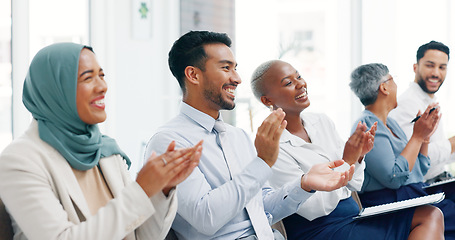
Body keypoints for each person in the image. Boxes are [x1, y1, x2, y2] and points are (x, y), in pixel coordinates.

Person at [145, 31, 356, 240]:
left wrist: (303, 184)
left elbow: (261, 208)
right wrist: (262, 162)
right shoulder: (169, 141)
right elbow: (206, 218)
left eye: (235, 69)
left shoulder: (239, 137)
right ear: (193, 75)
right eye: (226, 68)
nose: (237, 79)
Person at [0, 42, 203, 240]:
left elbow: (142, 236)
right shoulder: (19, 160)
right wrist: (141, 190)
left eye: (102, 75)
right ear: (55, 89)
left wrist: (162, 189)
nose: (102, 87)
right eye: (88, 78)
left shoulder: (105, 150)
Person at [250, 59, 444, 240]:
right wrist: (348, 161)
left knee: (431, 214)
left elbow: (355, 184)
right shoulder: (272, 145)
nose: (301, 84)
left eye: (299, 76)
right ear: (267, 100)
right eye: (288, 83)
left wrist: (359, 157)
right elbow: (314, 209)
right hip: (320, 229)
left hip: (353, 216)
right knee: (429, 217)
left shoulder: (322, 121)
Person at [350, 63, 455, 239]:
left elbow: (418, 170)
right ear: (384, 87)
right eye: (393, 80)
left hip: (413, 194)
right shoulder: (368, 125)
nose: (396, 85)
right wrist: (417, 136)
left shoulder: (391, 124)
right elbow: (393, 178)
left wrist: (425, 137)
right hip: (390, 202)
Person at [389, 40, 455, 184]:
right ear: (415, 67)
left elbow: (440, 157)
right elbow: (417, 158)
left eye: (442, 67)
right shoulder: (406, 103)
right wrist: (453, 143)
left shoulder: (429, 101)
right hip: (425, 186)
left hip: (441, 180)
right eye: (430, 65)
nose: (436, 73)